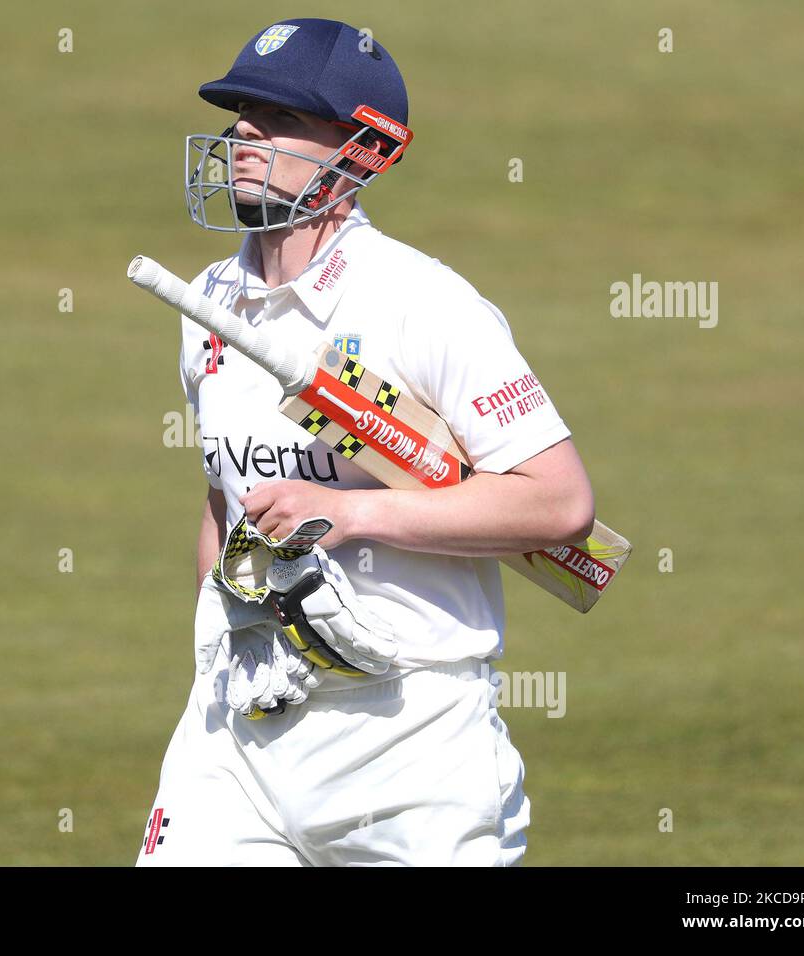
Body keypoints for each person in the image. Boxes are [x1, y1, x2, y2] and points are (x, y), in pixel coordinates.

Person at [136, 18, 596, 866]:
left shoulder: (422, 304)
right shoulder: (209, 301)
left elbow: (559, 504)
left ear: (361, 151)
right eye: (241, 110)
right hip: (236, 732)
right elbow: (224, 498)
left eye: (279, 118)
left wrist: (353, 515)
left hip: (410, 741)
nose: (243, 132)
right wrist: (230, 632)